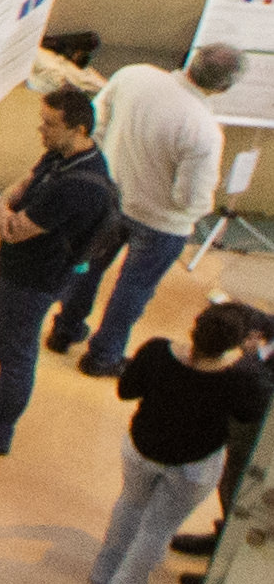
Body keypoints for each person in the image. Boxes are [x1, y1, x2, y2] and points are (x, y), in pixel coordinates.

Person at [0, 81, 119, 455]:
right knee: (7, 349)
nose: (41, 129)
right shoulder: (62, 155)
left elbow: (14, 230)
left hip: (35, 279)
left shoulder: (79, 186)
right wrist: (6, 203)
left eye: (50, 123)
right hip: (20, 270)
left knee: (17, 354)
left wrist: (0, 210)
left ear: (79, 129)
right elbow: (26, 182)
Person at [62, 45, 244, 372]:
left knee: (87, 267)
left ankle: (64, 330)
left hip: (112, 200)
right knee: (132, 289)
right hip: (162, 224)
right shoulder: (204, 129)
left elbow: (96, 126)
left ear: (192, 58)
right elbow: (192, 198)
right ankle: (102, 357)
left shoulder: (133, 75)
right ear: (225, 87)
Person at [97, 309, 274, 584]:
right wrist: (251, 361)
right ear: (236, 344)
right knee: (157, 529)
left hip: (142, 449)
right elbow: (251, 414)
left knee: (130, 504)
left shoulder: (155, 350)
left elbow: (126, 390)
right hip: (192, 467)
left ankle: (102, 573)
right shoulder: (237, 380)